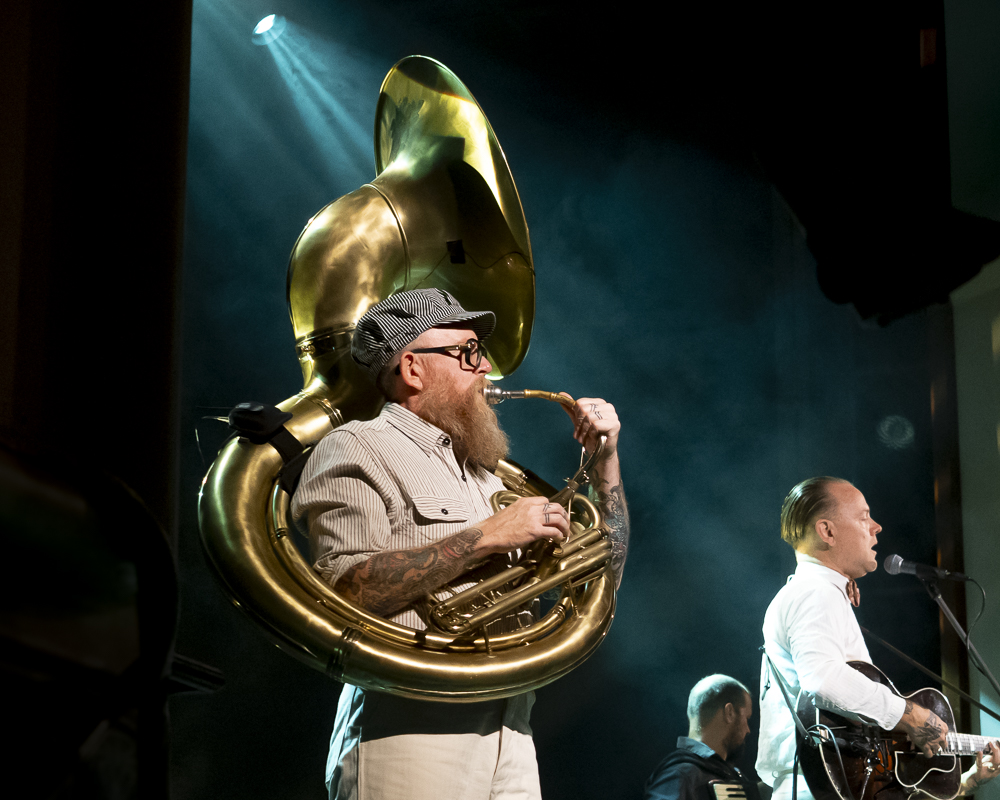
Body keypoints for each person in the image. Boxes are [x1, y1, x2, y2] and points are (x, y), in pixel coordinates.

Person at [291, 288, 630, 800]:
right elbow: (343, 593)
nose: (487, 367)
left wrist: (604, 463)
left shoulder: (488, 476)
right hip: (410, 727)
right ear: (412, 368)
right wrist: (487, 536)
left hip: (512, 727)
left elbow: (603, 572)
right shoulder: (357, 447)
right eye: (469, 352)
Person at [756, 477, 999, 800]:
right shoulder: (815, 593)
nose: (877, 527)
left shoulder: (816, 593)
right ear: (827, 531)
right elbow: (822, 680)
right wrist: (910, 714)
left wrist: (968, 780)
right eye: (863, 517)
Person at [644, 675, 761, 800]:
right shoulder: (679, 775)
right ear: (729, 713)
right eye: (746, 718)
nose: (748, 729)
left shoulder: (729, 774)